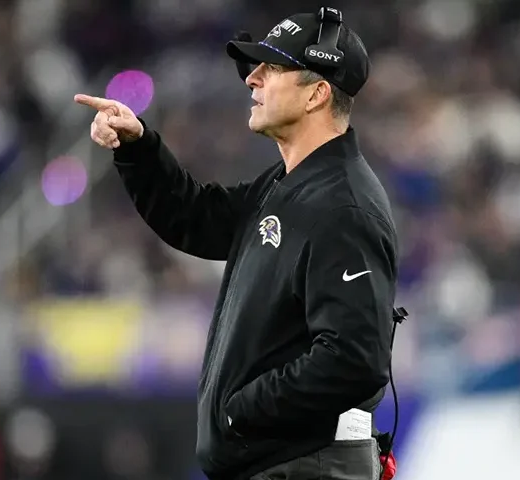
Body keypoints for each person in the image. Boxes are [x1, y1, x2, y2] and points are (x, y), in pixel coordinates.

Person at [75, 7, 399, 480]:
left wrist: (242, 408)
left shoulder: (343, 206)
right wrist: (137, 146)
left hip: (307, 469)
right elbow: (197, 219)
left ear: (317, 94)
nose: (253, 79)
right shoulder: (290, 183)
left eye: (273, 68)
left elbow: (355, 360)